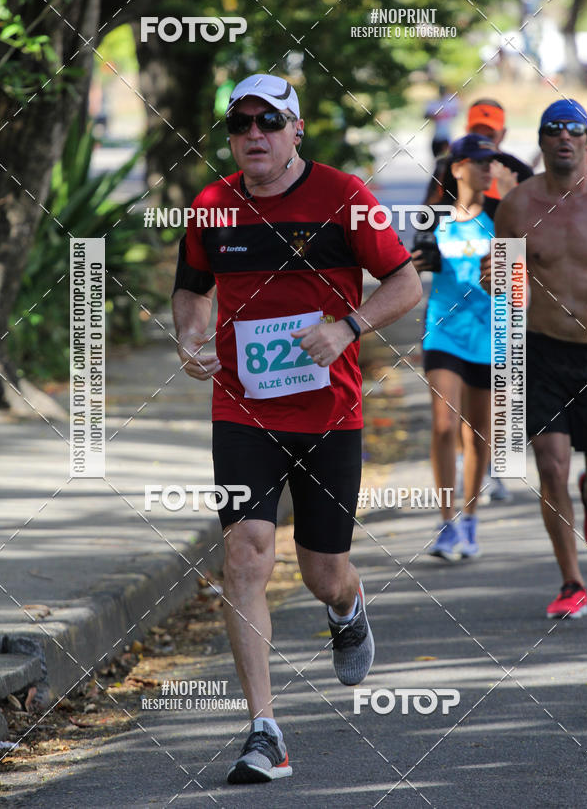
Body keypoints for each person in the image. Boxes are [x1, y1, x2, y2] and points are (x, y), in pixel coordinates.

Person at [171, 73, 422, 784]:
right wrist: (190, 339)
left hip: (330, 413)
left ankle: (348, 605)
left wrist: (347, 326)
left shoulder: (345, 196)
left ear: (295, 129)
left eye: (268, 121)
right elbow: (191, 290)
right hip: (243, 410)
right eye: (240, 123)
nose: (253, 134)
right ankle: (265, 732)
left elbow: (407, 283)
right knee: (247, 555)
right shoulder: (213, 206)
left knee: (321, 572)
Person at [481, 98, 587, 619]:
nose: (565, 138)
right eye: (554, 130)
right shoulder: (518, 206)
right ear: (543, 141)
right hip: (543, 352)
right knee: (549, 467)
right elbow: (506, 283)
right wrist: (495, 282)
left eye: (575, 129)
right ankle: (571, 581)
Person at [413, 134, 501, 560]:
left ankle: (469, 521)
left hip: (488, 334)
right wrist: (412, 268)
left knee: (477, 433)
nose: (489, 169)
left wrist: (502, 277)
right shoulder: (435, 217)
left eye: (492, 163)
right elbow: (409, 267)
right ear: (459, 167)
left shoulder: (504, 215)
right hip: (443, 329)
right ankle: (446, 523)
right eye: (481, 162)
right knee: (445, 425)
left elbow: (522, 281)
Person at [423, 84, 461, 157]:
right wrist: (435, 116)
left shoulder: (451, 101)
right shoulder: (433, 102)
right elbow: (425, 115)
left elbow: (456, 113)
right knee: (437, 158)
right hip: (437, 135)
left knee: (446, 158)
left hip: (448, 136)